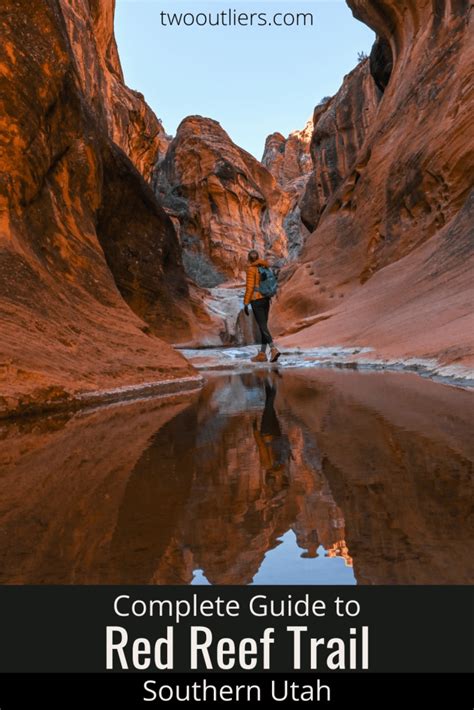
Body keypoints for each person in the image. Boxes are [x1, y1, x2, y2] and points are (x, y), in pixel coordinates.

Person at [243, 250, 280, 363]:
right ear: (258, 257)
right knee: (263, 326)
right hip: (266, 299)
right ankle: (262, 354)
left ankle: (273, 349)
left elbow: (249, 288)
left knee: (262, 326)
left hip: (257, 300)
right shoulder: (265, 267)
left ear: (249, 259)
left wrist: (245, 303)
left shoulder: (251, 269)